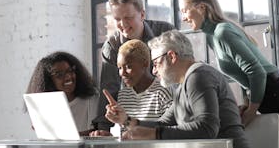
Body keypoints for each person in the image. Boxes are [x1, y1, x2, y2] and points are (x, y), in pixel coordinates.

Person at [179, 0, 279, 148]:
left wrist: (251, 112)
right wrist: (247, 103)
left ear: (202, 7)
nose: (183, 17)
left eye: (184, 10)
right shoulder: (212, 37)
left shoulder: (221, 32)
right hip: (273, 97)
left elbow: (257, 72)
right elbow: (246, 76)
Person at [104, 30, 250, 148]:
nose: (154, 71)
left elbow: (207, 128)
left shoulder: (199, 76)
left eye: (155, 64)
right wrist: (127, 120)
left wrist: (155, 134)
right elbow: (163, 123)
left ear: (172, 56)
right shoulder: (184, 85)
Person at [93, 0, 175, 131]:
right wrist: (103, 129)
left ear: (142, 14)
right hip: (134, 111)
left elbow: (180, 73)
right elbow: (109, 88)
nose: (123, 24)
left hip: (168, 108)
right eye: (117, 19)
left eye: (128, 18)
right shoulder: (112, 46)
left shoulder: (165, 32)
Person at [90, 39, 173, 136]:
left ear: (145, 64)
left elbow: (169, 132)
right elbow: (127, 136)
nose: (122, 73)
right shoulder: (123, 95)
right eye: (120, 68)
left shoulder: (163, 91)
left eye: (128, 66)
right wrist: (110, 138)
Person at [25, 51, 99, 136]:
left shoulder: (91, 99)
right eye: (59, 75)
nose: (68, 77)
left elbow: (94, 134)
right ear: (49, 81)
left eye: (70, 71)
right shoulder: (44, 104)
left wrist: (54, 134)